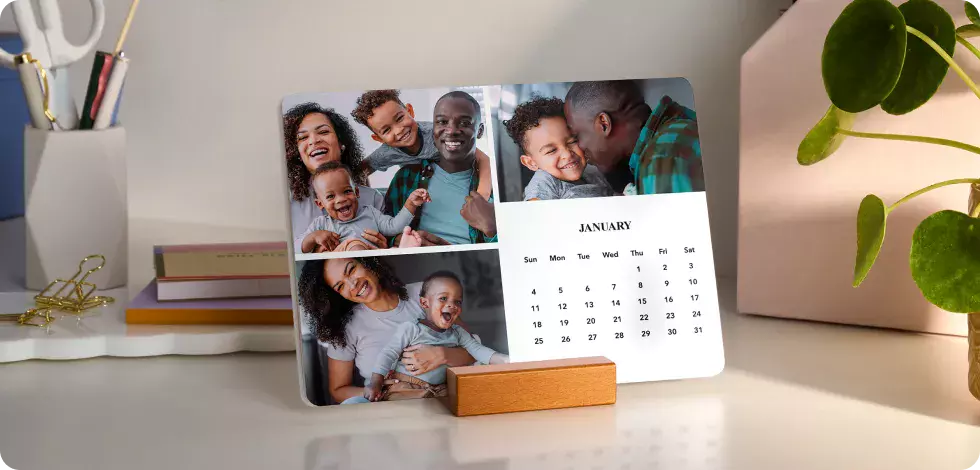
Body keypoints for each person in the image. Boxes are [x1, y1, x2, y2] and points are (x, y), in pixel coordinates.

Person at [298, 257, 480, 405]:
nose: (352, 285)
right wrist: (378, 392)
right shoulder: (346, 328)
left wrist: (442, 354)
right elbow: (337, 390)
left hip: (444, 399)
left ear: (366, 260)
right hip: (391, 409)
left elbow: (474, 352)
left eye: (351, 269)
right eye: (340, 286)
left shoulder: (423, 294)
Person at [363, 271, 508, 402]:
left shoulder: (458, 332)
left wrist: (505, 360)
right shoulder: (412, 328)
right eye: (443, 298)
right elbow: (388, 353)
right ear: (424, 303)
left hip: (439, 390)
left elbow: (478, 350)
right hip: (406, 387)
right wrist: (376, 382)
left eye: (457, 301)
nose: (451, 305)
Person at [382, 91, 498, 246]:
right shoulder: (405, 178)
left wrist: (492, 229)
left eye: (464, 123)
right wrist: (394, 242)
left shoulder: (497, 187)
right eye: (442, 122)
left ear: (480, 131)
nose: (451, 131)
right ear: (433, 129)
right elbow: (383, 230)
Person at [564, 80, 703, 195]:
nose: (580, 148)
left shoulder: (662, 159)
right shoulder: (678, 130)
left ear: (604, 124)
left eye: (577, 136)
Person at [350, 89, 493, 201]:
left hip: (461, 178)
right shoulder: (386, 153)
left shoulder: (436, 133)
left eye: (400, 118)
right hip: (427, 189)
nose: (399, 130)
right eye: (387, 130)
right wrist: (367, 197)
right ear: (378, 138)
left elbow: (482, 159)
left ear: (410, 111)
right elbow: (358, 173)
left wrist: (483, 194)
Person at [283, 102, 390, 250]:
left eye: (323, 132)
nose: (314, 140)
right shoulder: (286, 200)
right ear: (297, 153)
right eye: (302, 138)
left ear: (341, 143)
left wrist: (385, 249)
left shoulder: (373, 199)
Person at [294, 162, 430, 253]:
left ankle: (404, 249)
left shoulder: (370, 213)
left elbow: (394, 226)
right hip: (342, 262)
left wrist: (411, 204)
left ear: (356, 193)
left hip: (372, 256)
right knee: (354, 246)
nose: (341, 199)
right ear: (320, 204)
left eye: (347, 191)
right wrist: (312, 237)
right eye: (330, 196)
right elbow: (296, 248)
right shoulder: (321, 224)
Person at [503, 95, 614, 201]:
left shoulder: (592, 171)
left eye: (573, 141)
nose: (567, 154)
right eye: (551, 151)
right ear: (531, 163)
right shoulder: (544, 183)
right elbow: (534, 216)